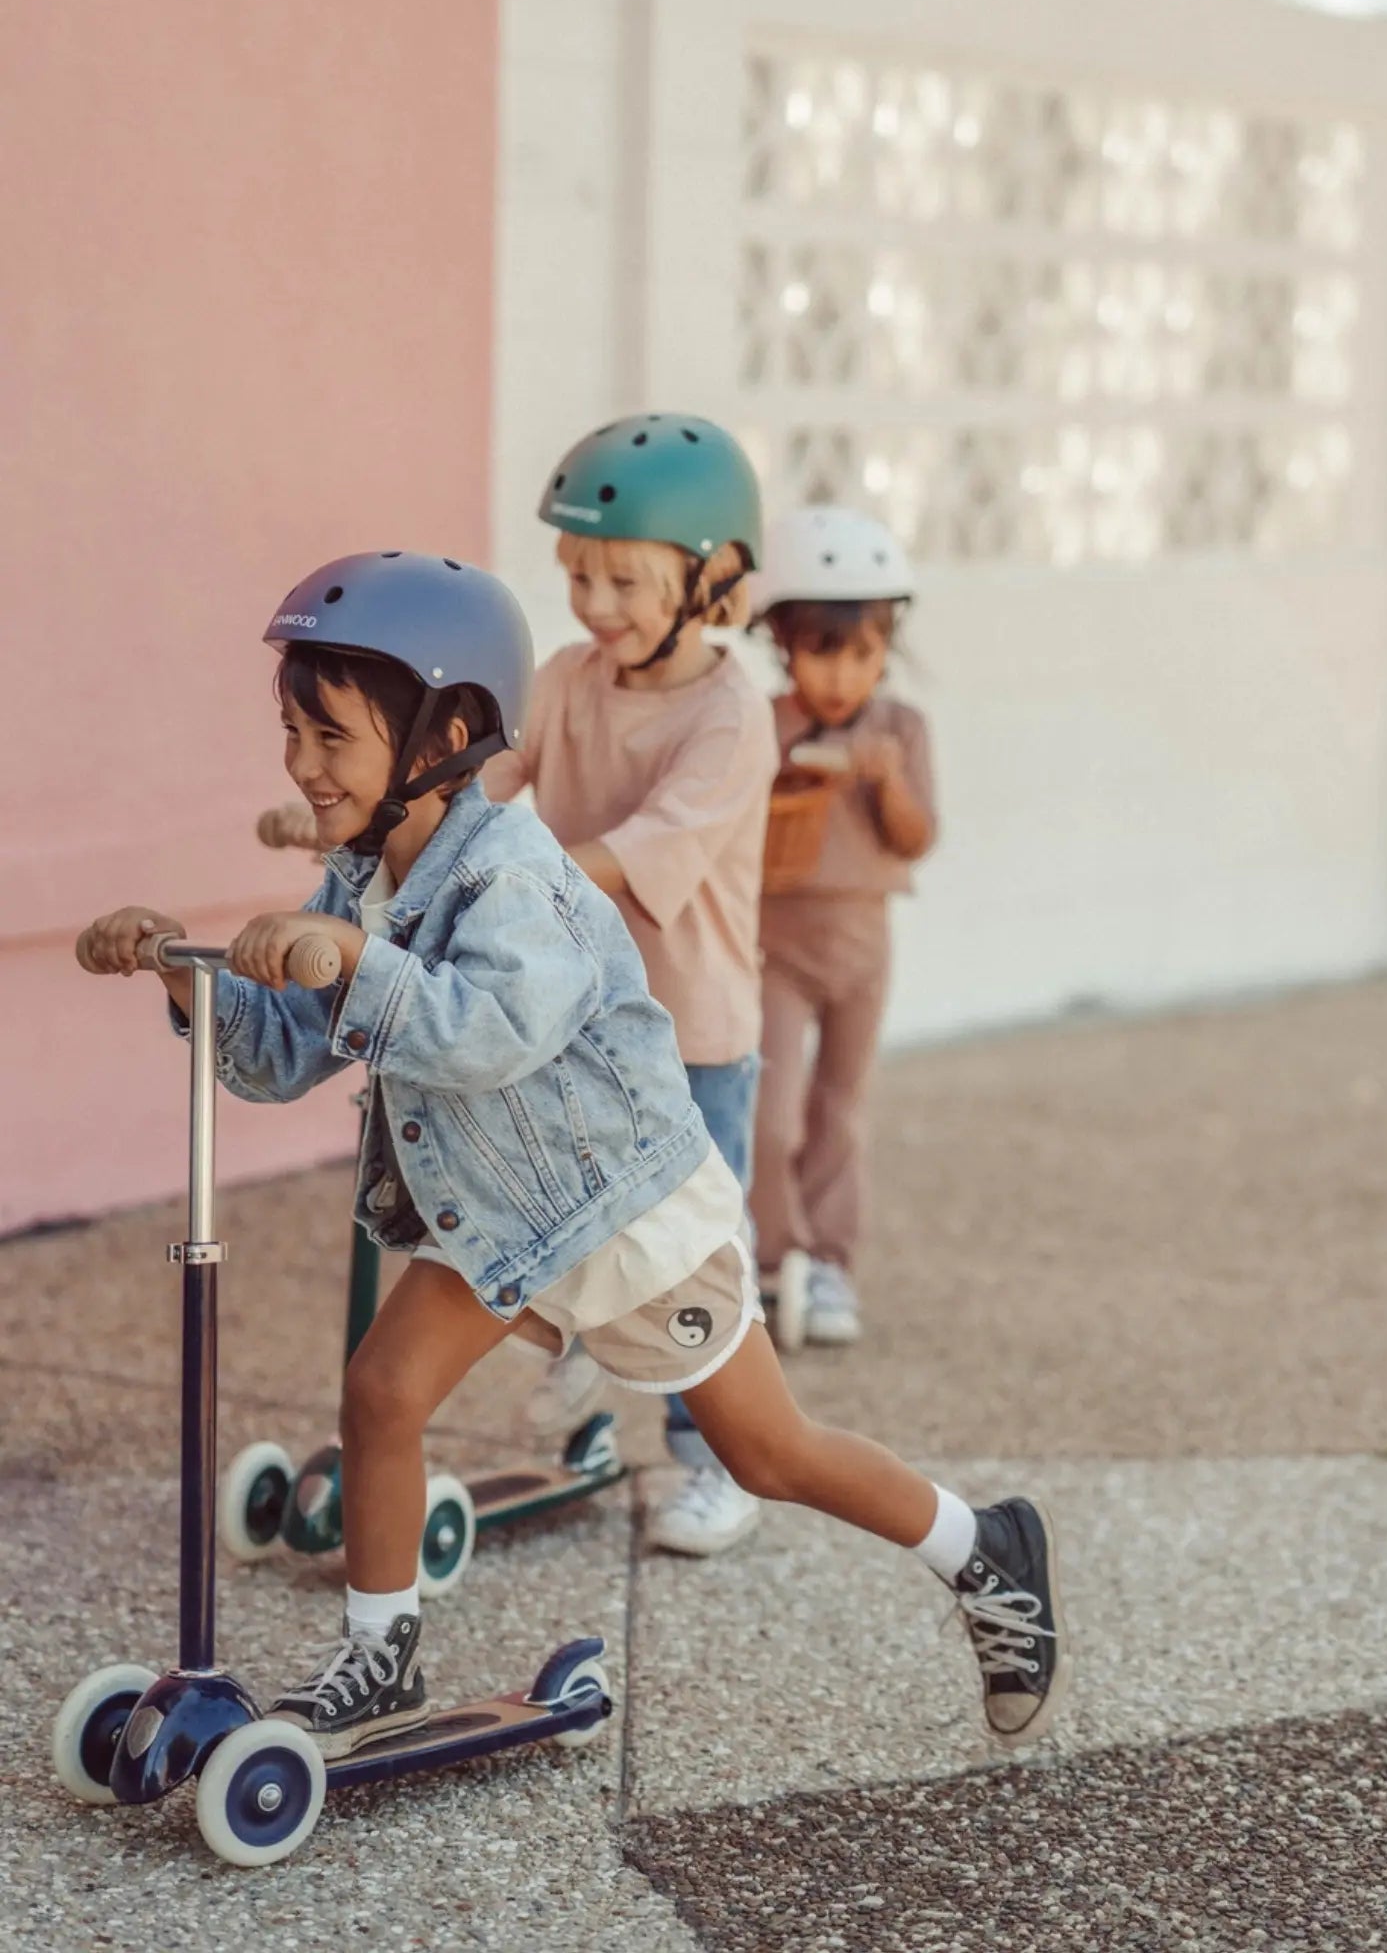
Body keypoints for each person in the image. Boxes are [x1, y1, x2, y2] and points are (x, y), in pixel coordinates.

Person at [77, 550, 1067, 1758]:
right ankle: (379, 1653)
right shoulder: (359, 873)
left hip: (621, 1207)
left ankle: (982, 1545)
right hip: (499, 1218)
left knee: (767, 1450)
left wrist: (348, 961)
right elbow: (285, 1053)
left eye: (329, 736)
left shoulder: (513, 875)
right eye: (290, 728)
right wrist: (189, 973)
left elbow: (488, 1032)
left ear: (443, 729)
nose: (300, 764)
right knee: (382, 1391)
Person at [488, 413, 778, 1557]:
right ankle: (570, 1341)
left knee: (692, 1258)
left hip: (689, 1030)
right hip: (572, 1017)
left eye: (621, 578)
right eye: (576, 574)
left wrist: (496, 865)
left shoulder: (728, 716)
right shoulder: (567, 679)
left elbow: (632, 849)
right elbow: (485, 775)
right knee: (542, 1186)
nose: (592, 602)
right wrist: (387, 811)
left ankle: (717, 1462)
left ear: (711, 582)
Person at [749, 508, 936, 1347]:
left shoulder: (900, 728)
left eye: (862, 655)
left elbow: (917, 836)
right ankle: (769, 1252)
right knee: (774, 1112)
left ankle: (828, 1262)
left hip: (862, 945)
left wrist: (885, 783)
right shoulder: (758, 719)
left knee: (840, 1108)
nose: (841, 677)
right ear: (782, 640)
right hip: (776, 944)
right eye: (822, 652)